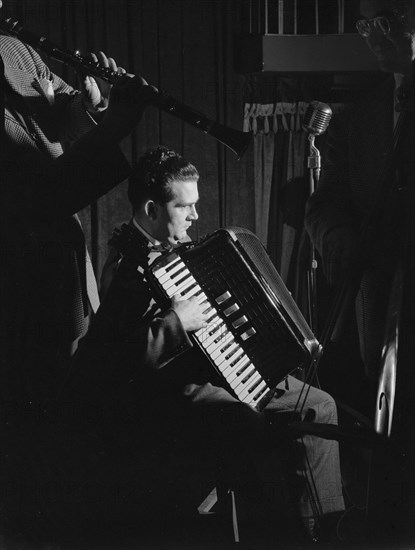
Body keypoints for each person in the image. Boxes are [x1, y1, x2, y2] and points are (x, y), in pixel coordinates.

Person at [69, 145, 345, 544]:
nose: (196, 216)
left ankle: (322, 527)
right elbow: (115, 363)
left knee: (320, 405)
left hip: (219, 365)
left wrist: (237, 327)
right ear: (151, 210)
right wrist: (176, 322)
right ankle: (279, 532)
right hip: (176, 390)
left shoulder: (182, 252)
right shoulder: (125, 269)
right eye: (186, 207)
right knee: (250, 426)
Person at [304, 0, 415, 388]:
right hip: (383, 308)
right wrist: (337, 236)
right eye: (366, 26)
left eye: (387, 22)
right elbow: (325, 203)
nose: (376, 37)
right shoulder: (359, 117)